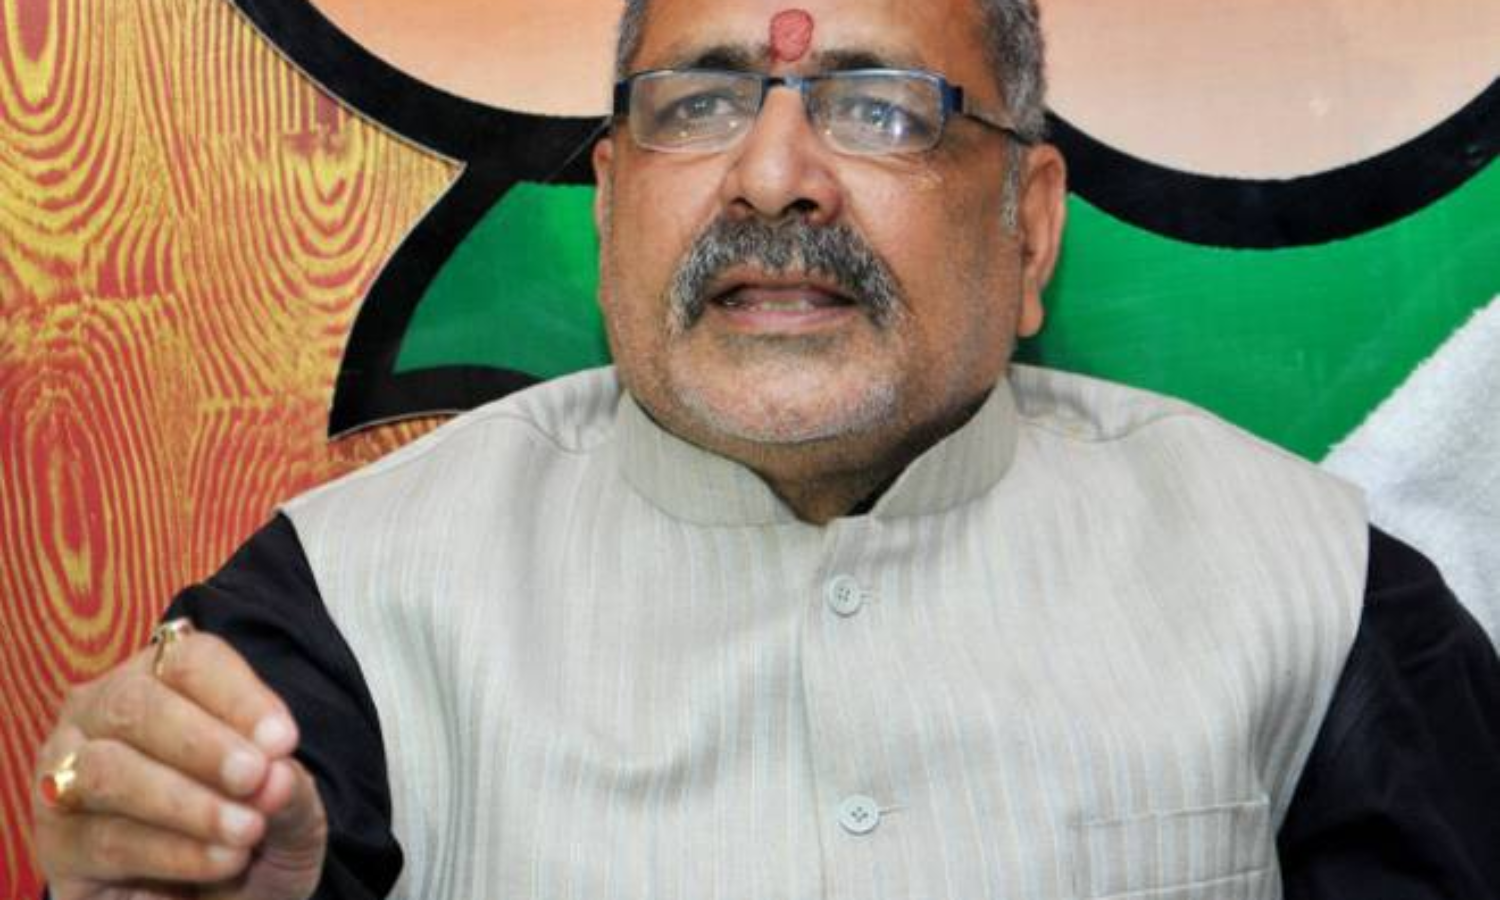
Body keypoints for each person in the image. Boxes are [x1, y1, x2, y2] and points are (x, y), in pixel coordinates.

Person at [31, 0, 1500, 897]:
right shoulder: (345, 603)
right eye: (700, 104)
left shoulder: (1318, 595)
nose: (775, 174)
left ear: (1031, 225)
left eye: (880, 108)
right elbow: (196, 836)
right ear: (611, 204)